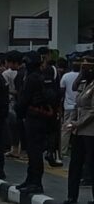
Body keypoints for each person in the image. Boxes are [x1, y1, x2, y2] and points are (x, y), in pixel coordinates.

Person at [15, 54, 51, 195]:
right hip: (39, 118)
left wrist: (19, 111)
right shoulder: (41, 77)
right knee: (33, 152)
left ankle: (35, 183)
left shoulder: (32, 79)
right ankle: (31, 180)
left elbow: (24, 99)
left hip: (34, 118)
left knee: (34, 152)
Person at [63, 54, 94, 204]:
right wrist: (82, 73)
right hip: (79, 131)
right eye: (83, 65)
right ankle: (71, 197)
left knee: (91, 165)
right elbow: (76, 94)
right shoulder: (84, 83)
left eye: (88, 65)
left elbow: (92, 111)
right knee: (75, 164)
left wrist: (78, 123)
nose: (84, 67)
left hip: (90, 131)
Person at [61, 60, 81, 158]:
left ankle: (63, 150)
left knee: (66, 129)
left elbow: (62, 89)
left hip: (68, 106)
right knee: (80, 128)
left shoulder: (66, 76)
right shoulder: (83, 76)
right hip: (80, 107)